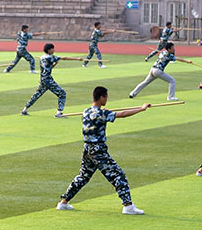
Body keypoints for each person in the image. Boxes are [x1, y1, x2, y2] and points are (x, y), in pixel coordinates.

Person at [57, 86, 149, 214]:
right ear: (101, 97)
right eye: (106, 96)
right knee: (118, 175)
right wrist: (141, 108)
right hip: (98, 150)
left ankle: (64, 202)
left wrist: (104, 112)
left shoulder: (86, 111)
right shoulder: (102, 114)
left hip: (87, 149)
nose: (107, 99)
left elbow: (97, 118)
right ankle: (128, 206)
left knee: (83, 176)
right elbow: (122, 114)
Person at [21, 43, 81, 117]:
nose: (53, 50)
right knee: (62, 94)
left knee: (37, 95)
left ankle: (25, 109)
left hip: (43, 79)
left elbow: (49, 68)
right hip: (48, 80)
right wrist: (77, 59)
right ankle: (59, 113)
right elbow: (64, 58)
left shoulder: (42, 57)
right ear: (49, 50)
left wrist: (55, 64)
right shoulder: (50, 57)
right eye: (52, 49)